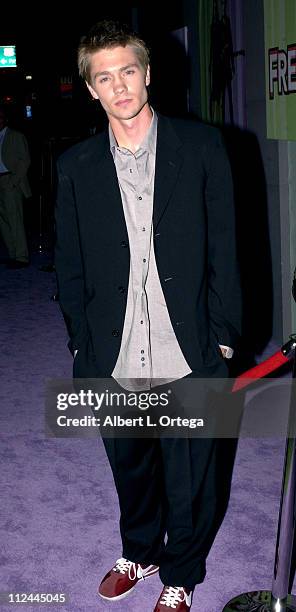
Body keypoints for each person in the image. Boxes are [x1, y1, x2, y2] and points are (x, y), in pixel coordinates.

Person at [54, 20, 241, 611]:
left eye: (127, 72)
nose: (119, 87)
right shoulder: (76, 165)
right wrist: (81, 344)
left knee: (191, 475)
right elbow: (70, 265)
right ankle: (139, 550)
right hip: (113, 346)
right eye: (103, 77)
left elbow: (228, 249)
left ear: (147, 74)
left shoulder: (203, 146)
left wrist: (227, 336)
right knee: (130, 464)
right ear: (91, 89)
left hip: (188, 345)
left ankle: (180, 572)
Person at [0, 106, 31, 268]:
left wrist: (14, 181)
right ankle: (13, 254)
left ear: (4, 118)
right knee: (3, 221)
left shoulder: (15, 136)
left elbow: (24, 160)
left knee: (15, 220)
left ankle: (21, 257)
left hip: (10, 180)